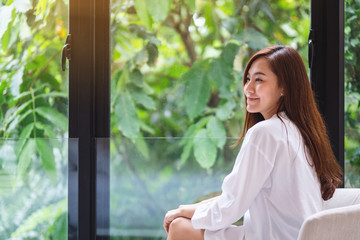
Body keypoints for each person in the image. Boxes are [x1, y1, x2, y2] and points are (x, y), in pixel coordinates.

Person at [163, 45, 343, 240]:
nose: (248, 88)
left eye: (259, 80)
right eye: (248, 79)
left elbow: (231, 207)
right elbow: (238, 197)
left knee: (180, 227)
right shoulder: (300, 130)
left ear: (284, 87)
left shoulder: (265, 133)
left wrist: (182, 212)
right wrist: (187, 209)